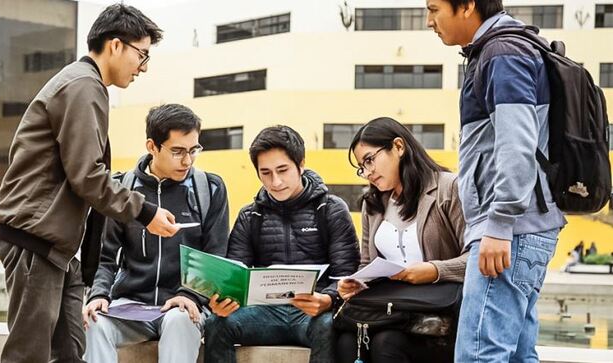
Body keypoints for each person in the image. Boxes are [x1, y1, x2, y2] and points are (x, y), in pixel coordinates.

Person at [0, 4, 177, 362]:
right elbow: (88, 176)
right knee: (28, 354)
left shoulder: (86, 85)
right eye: (142, 54)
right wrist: (146, 211)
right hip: (36, 240)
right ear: (115, 45)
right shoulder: (83, 86)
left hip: (57, 248)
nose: (144, 67)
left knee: (71, 351)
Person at [426, 0, 567, 361]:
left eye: (433, 8)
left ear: (468, 5)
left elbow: (517, 145)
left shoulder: (502, 52)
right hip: (523, 226)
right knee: (518, 355)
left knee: (479, 355)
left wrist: (499, 225)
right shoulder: (504, 49)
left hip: (511, 230)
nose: (429, 21)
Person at [82, 104, 229, 363]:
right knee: (95, 322)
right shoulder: (124, 190)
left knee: (178, 319)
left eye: (194, 150)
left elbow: (215, 256)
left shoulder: (210, 188)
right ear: (152, 146)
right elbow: (107, 258)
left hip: (186, 306)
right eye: (178, 151)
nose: (188, 160)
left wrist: (189, 295)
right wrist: (99, 295)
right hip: (131, 306)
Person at [203, 125, 360, 363]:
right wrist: (223, 300)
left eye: (282, 170)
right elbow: (234, 276)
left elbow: (346, 275)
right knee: (217, 323)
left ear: (301, 164)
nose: (275, 181)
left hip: (314, 314)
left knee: (328, 325)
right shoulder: (250, 216)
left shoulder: (330, 209)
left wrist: (327, 299)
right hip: (263, 313)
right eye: (265, 173)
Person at [336, 117, 466, 363]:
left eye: (369, 160)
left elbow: (476, 257)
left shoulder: (449, 189)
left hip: (436, 315)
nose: (367, 172)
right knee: (345, 340)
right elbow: (366, 264)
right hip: (392, 309)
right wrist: (355, 283)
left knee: (387, 343)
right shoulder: (372, 203)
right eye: (361, 167)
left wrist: (434, 270)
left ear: (398, 147)